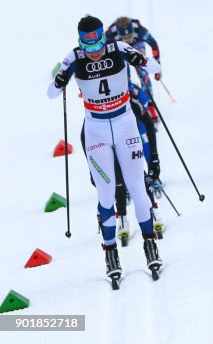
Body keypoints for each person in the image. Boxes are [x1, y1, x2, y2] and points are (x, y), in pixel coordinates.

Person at [48, 15, 163, 284]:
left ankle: (150, 244)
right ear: (81, 44)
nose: (95, 54)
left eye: (98, 46)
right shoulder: (73, 58)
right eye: (88, 49)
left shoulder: (119, 49)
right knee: (106, 192)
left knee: (137, 186)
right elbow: (51, 94)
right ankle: (110, 252)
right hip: (97, 129)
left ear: (103, 38)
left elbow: (155, 67)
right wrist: (60, 79)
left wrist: (141, 61)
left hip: (125, 124)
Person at [104, 17, 161, 123]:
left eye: (130, 36)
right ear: (118, 34)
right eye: (125, 37)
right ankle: (131, 104)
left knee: (143, 73)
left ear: (133, 31)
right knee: (124, 77)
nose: (128, 39)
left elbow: (153, 44)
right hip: (121, 48)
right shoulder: (110, 34)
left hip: (137, 45)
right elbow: (103, 50)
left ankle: (150, 106)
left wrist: (158, 65)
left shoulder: (140, 30)